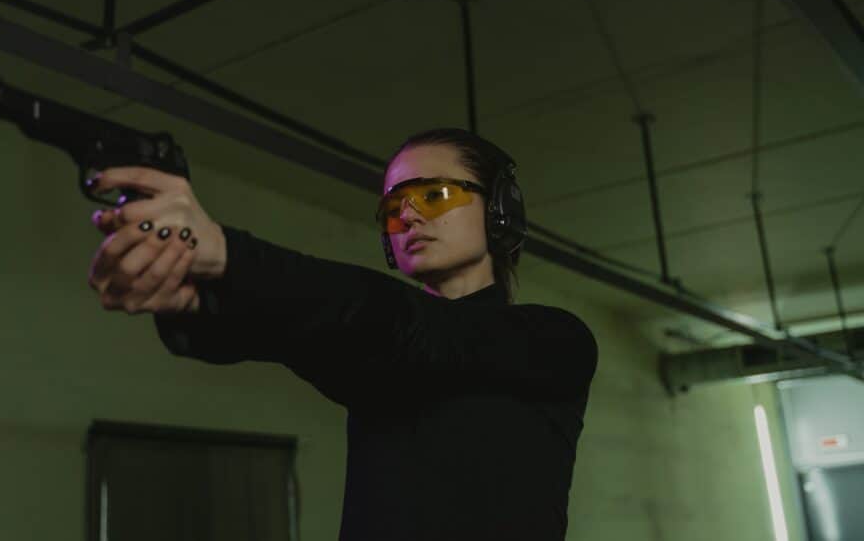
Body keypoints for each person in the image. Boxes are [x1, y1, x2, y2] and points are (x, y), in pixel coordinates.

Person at [87, 127, 598, 540]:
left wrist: (227, 253)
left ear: (499, 210)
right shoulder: (381, 354)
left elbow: (400, 325)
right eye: (393, 208)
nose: (409, 215)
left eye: (434, 195)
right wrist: (194, 300)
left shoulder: (554, 342)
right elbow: (299, 331)